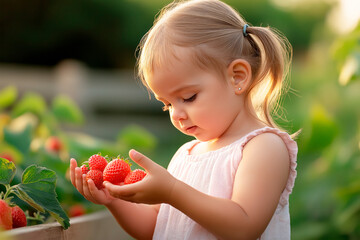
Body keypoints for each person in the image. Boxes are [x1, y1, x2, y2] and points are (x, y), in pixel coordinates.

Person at [70, 0, 298, 239]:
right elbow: (157, 227)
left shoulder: (263, 148)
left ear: (237, 77)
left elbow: (244, 226)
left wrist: (172, 191)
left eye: (188, 97)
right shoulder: (186, 155)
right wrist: (113, 201)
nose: (176, 114)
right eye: (166, 104)